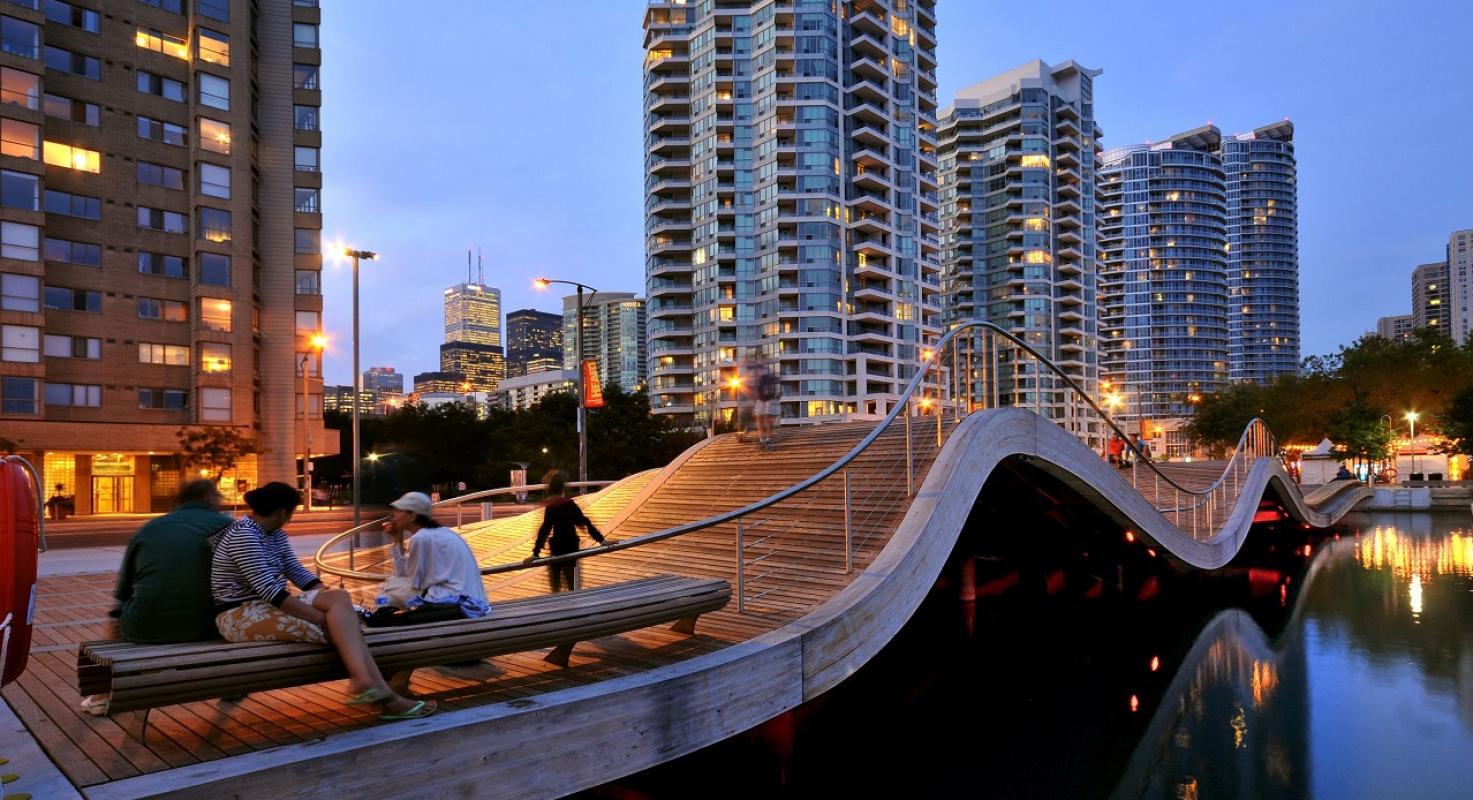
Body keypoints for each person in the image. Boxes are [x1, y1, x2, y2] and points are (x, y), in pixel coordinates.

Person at [211, 481, 434, 721]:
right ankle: (385, 696)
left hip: (267, 607)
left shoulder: (274, 533)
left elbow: (298, 573)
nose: (290, 519)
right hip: (238, 615)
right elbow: (271, 591)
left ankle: (367, 683)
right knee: (343, 626)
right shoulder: (243, 535)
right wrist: (324, 619)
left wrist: (330, 599)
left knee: (340, 599)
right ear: (283, 511)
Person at [79, 479, 232, 716]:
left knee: (118, 613)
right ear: (209, 498)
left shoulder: (150, 528)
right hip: (211, 628)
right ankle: (231, 685)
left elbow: (123, 592)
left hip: (146, 628)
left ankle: (103, 694)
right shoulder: (228, 526)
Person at [366, 492, 490, 626]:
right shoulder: (441, 533)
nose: (393, 515)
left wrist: (391, 586)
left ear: (413, 516)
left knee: (388, 589)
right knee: (393, 583)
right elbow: (407, 574)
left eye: (398, 511)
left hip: (454, 599)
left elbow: (412, 580)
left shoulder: (420, 538)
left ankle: (383, 623)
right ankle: (387, 617)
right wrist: (397, 538)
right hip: (473, 598)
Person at [526, 470, 609, 592]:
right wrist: (602, 541)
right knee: (573, 586)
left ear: (549, 490)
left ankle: (558, 607)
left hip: (556, 549)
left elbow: (544, 530)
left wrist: (536, 553)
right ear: (562, 489)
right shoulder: (569, 504)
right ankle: (574, 606)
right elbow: (585, 522)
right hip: (571, 548)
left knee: (555, 587)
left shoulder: (550, 507)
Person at [755, 361, 780, 450]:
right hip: (761, 398)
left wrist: (776, 394)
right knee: (759, 417)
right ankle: (762, 438)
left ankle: (768, 438)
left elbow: (777, 386)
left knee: (768, 418)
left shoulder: (770, 376)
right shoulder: (760, 377)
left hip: (769, 398)